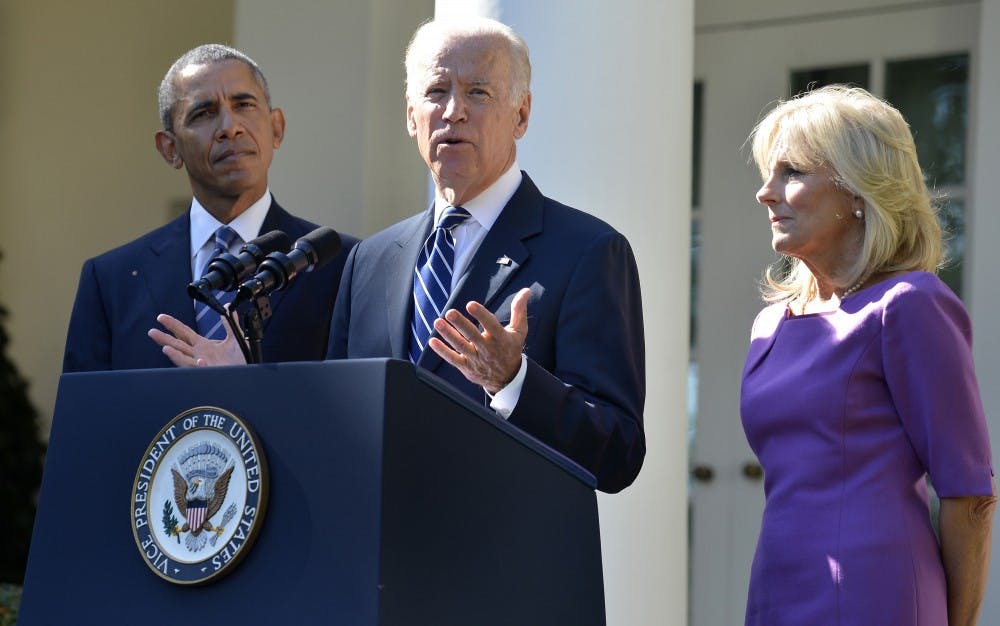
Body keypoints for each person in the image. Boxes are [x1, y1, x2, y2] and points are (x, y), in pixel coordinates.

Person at [327, 17, 646, 493]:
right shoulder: (369, 260)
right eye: (436, 91)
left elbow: (617, 453)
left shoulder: (588, 250)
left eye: (478, 93)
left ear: (521, 115)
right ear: (411, 115)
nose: (453, 111)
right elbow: (336, 419)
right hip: (376, 552)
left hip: (504, 558)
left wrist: (513, 381)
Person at [742, 84, 996, 625]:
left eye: (792, 172)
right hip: (776, 585)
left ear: (858, 190)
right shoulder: (771, 324)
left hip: (874, 592)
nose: (766, 193)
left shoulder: (911, 306)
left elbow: (969, 496)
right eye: (768, 173)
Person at [63, 44, 357, 372]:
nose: (230, 127)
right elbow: (86, 417)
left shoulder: (342, 264)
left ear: (277, 128)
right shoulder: (111, 280)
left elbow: (356, 411)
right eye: (203, 113)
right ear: (170, 149)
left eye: (244, 104)